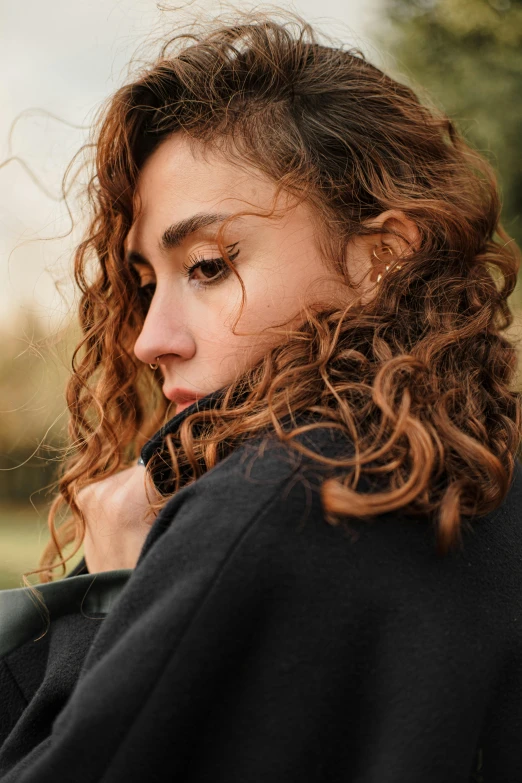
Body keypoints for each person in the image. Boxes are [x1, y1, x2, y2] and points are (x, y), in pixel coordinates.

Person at [1, 9, 521, 782]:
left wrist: (105, 605)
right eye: (145, 285)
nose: (149, 339)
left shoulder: (265, 507)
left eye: (208, 265)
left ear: (380, 259)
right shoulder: (487, 476)